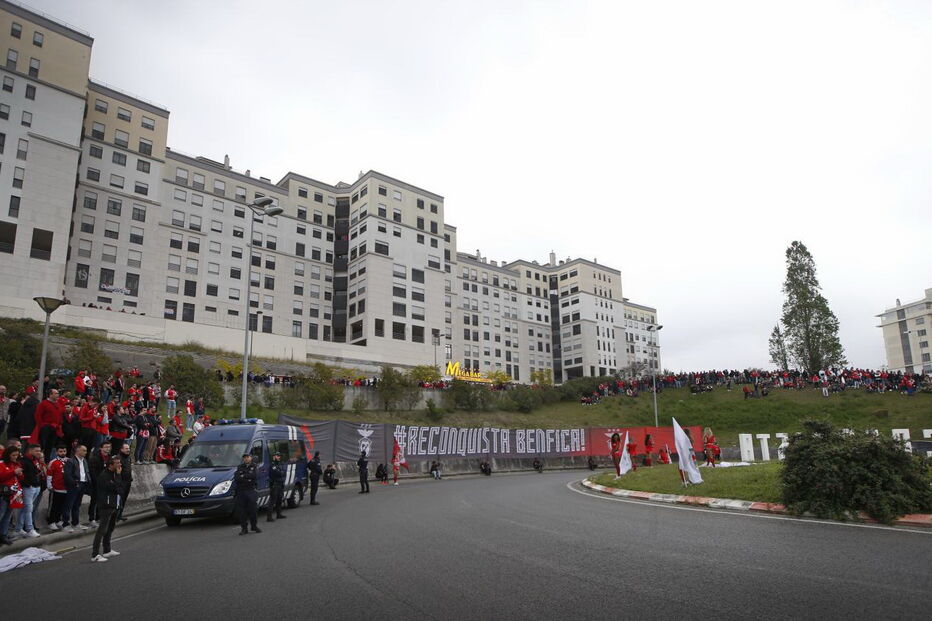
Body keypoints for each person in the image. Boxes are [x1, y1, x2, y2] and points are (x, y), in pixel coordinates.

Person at [91, 457, 123, 562]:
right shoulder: (104, 476)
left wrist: (118, 478)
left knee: (110, 528)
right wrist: (118, 477)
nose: (119, 465)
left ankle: (107, 550)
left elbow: (120, 489)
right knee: (102, 530)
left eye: (120, 463)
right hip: (106, 505)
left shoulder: (115, 474)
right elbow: (115, 488)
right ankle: (95, 554)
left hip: (114, 505)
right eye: (117, 463)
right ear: (110, 465)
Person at [14, 444, 43, 538]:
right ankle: (30, 529)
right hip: (28, 488)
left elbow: (37, 472)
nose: (39, 452)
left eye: (39, 450)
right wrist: (27, 484)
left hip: (36, 487)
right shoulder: (23, 461)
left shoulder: (36, 460)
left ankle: (18, 529)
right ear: (30, 451)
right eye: (36, 451)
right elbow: (20, 475)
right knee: (28, 509)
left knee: (24, 509)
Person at [63, 445, 91, 532]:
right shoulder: (71, 461)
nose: (85, 452)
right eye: (84, 450)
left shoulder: (84, 461)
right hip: (74, 485)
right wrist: (74, 483)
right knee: (69, 505)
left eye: (86, 450)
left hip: (83, 484)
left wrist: (87, 481)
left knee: (77, 505)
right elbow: (67, 475)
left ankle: (76, 523)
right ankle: (65, 524)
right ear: (78, 451)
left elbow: (86, 472)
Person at [0, 445, 23, 545]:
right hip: (3, 494)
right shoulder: (1, 464)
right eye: (13, 455)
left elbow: (20, 478)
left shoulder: (15, 464)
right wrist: (13, 472)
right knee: (1, 514)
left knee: (8, 516)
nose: (15, 457)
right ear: (7, 454)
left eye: (17, 455)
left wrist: (20, 474)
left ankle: (3, 535)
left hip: (13, 494)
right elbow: (1, 477)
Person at [234, 453, 260, 535]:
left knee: (253, 510)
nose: (246, 459)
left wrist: (243, 476)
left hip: (251, 490)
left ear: (251, 458)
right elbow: (236, 477)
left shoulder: (254, 466)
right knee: (242, 511)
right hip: (241, 491)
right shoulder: (240, 466)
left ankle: (254, 526)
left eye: (247, 457)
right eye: (244, 457)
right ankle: (244, 528)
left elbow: (254, 476)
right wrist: (247, 477)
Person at [46, 445, 69, 530]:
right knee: (54, 506)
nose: (62, 453)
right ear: (56, 452)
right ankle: (51, 521)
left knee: (62, 506)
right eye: (60, 451)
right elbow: (49, 474)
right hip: (56, 488)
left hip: (66, 488)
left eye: (64, 451)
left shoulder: (69, 461)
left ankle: (58, 520)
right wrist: (49, 485)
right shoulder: (53, 462)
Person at [267, 452, 286, 522]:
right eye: (277, 456)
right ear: (274, 457)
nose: (279, 457)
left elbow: (284, 472)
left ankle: (279, 514)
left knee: (279, 500)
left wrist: (281, 472)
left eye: (279, 456)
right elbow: (277, 473)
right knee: (272, 501)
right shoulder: (272, 465)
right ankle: (269, 517)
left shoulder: (279, 464)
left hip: (280, 484)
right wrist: (281, 472)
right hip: (274, 485)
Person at [116, 443, 133, 521]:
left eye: (128, 448)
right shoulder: (118, 458)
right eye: (126, 448)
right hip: (121, 482)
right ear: (121, 449)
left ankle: (120, 515)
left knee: (124, 499)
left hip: (128, 481)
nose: (128, 450)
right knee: (119, 500)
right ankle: (116, 515)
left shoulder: (128, 458)